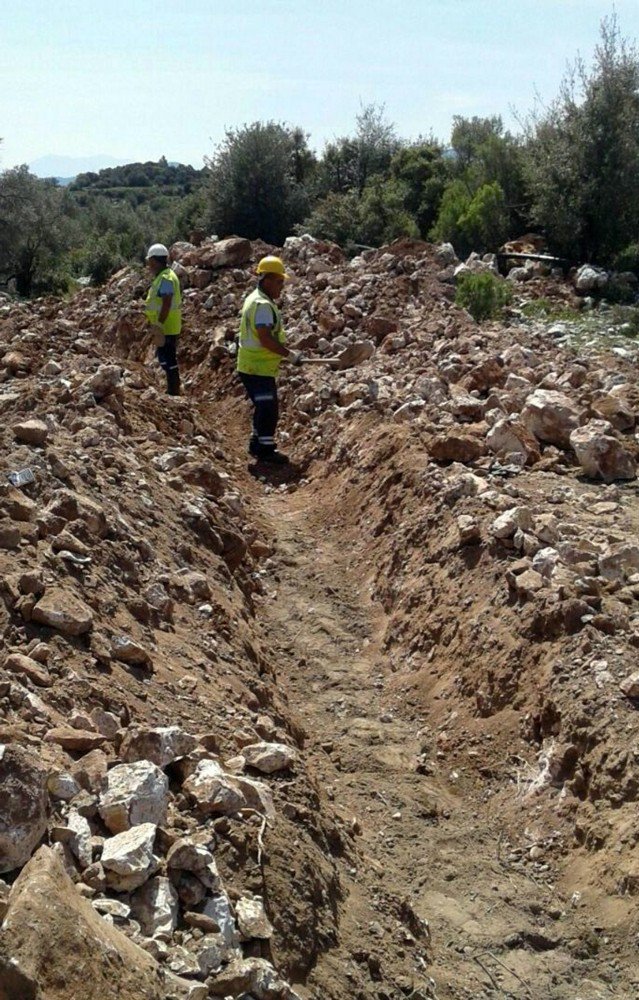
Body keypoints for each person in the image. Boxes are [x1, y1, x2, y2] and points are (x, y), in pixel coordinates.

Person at [237, 255, 301, 464]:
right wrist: (289, 355)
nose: (281, 287)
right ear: (267, 280)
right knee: (268, 408)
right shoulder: (263, 305)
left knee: (264, 406)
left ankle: (257, 444)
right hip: (257, 367)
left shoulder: (254, 298)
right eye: (279, 282)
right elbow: (265, 338)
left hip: (253, 365)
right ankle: (265, 450)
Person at [144, 243, 182, 396]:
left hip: (167, 326)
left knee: (168, 359)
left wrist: (159, 324)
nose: (149, 265)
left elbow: (166, 303)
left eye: (150, 262)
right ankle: (172, 388)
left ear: (154, 260)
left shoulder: (166, 278)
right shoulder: (162, 276)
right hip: (164, 325)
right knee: (164, 358)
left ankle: (174, 390)